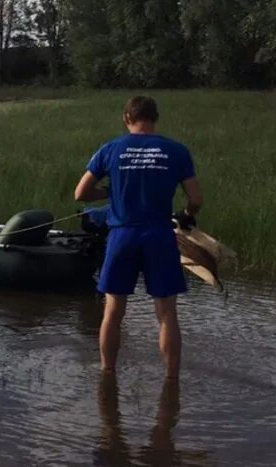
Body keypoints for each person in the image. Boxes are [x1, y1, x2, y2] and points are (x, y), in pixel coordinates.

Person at [74, 96, 202, 379]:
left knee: (113, 312)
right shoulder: (177, 151)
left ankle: (107, 375)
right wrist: (186, 213)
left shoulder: (111, 149)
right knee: (167, 314)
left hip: (122, 236)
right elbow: (195, 198)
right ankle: (171, 381)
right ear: (155, 119)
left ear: (126, 118)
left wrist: (108, 192)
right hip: (159, 235)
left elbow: (80, 193)